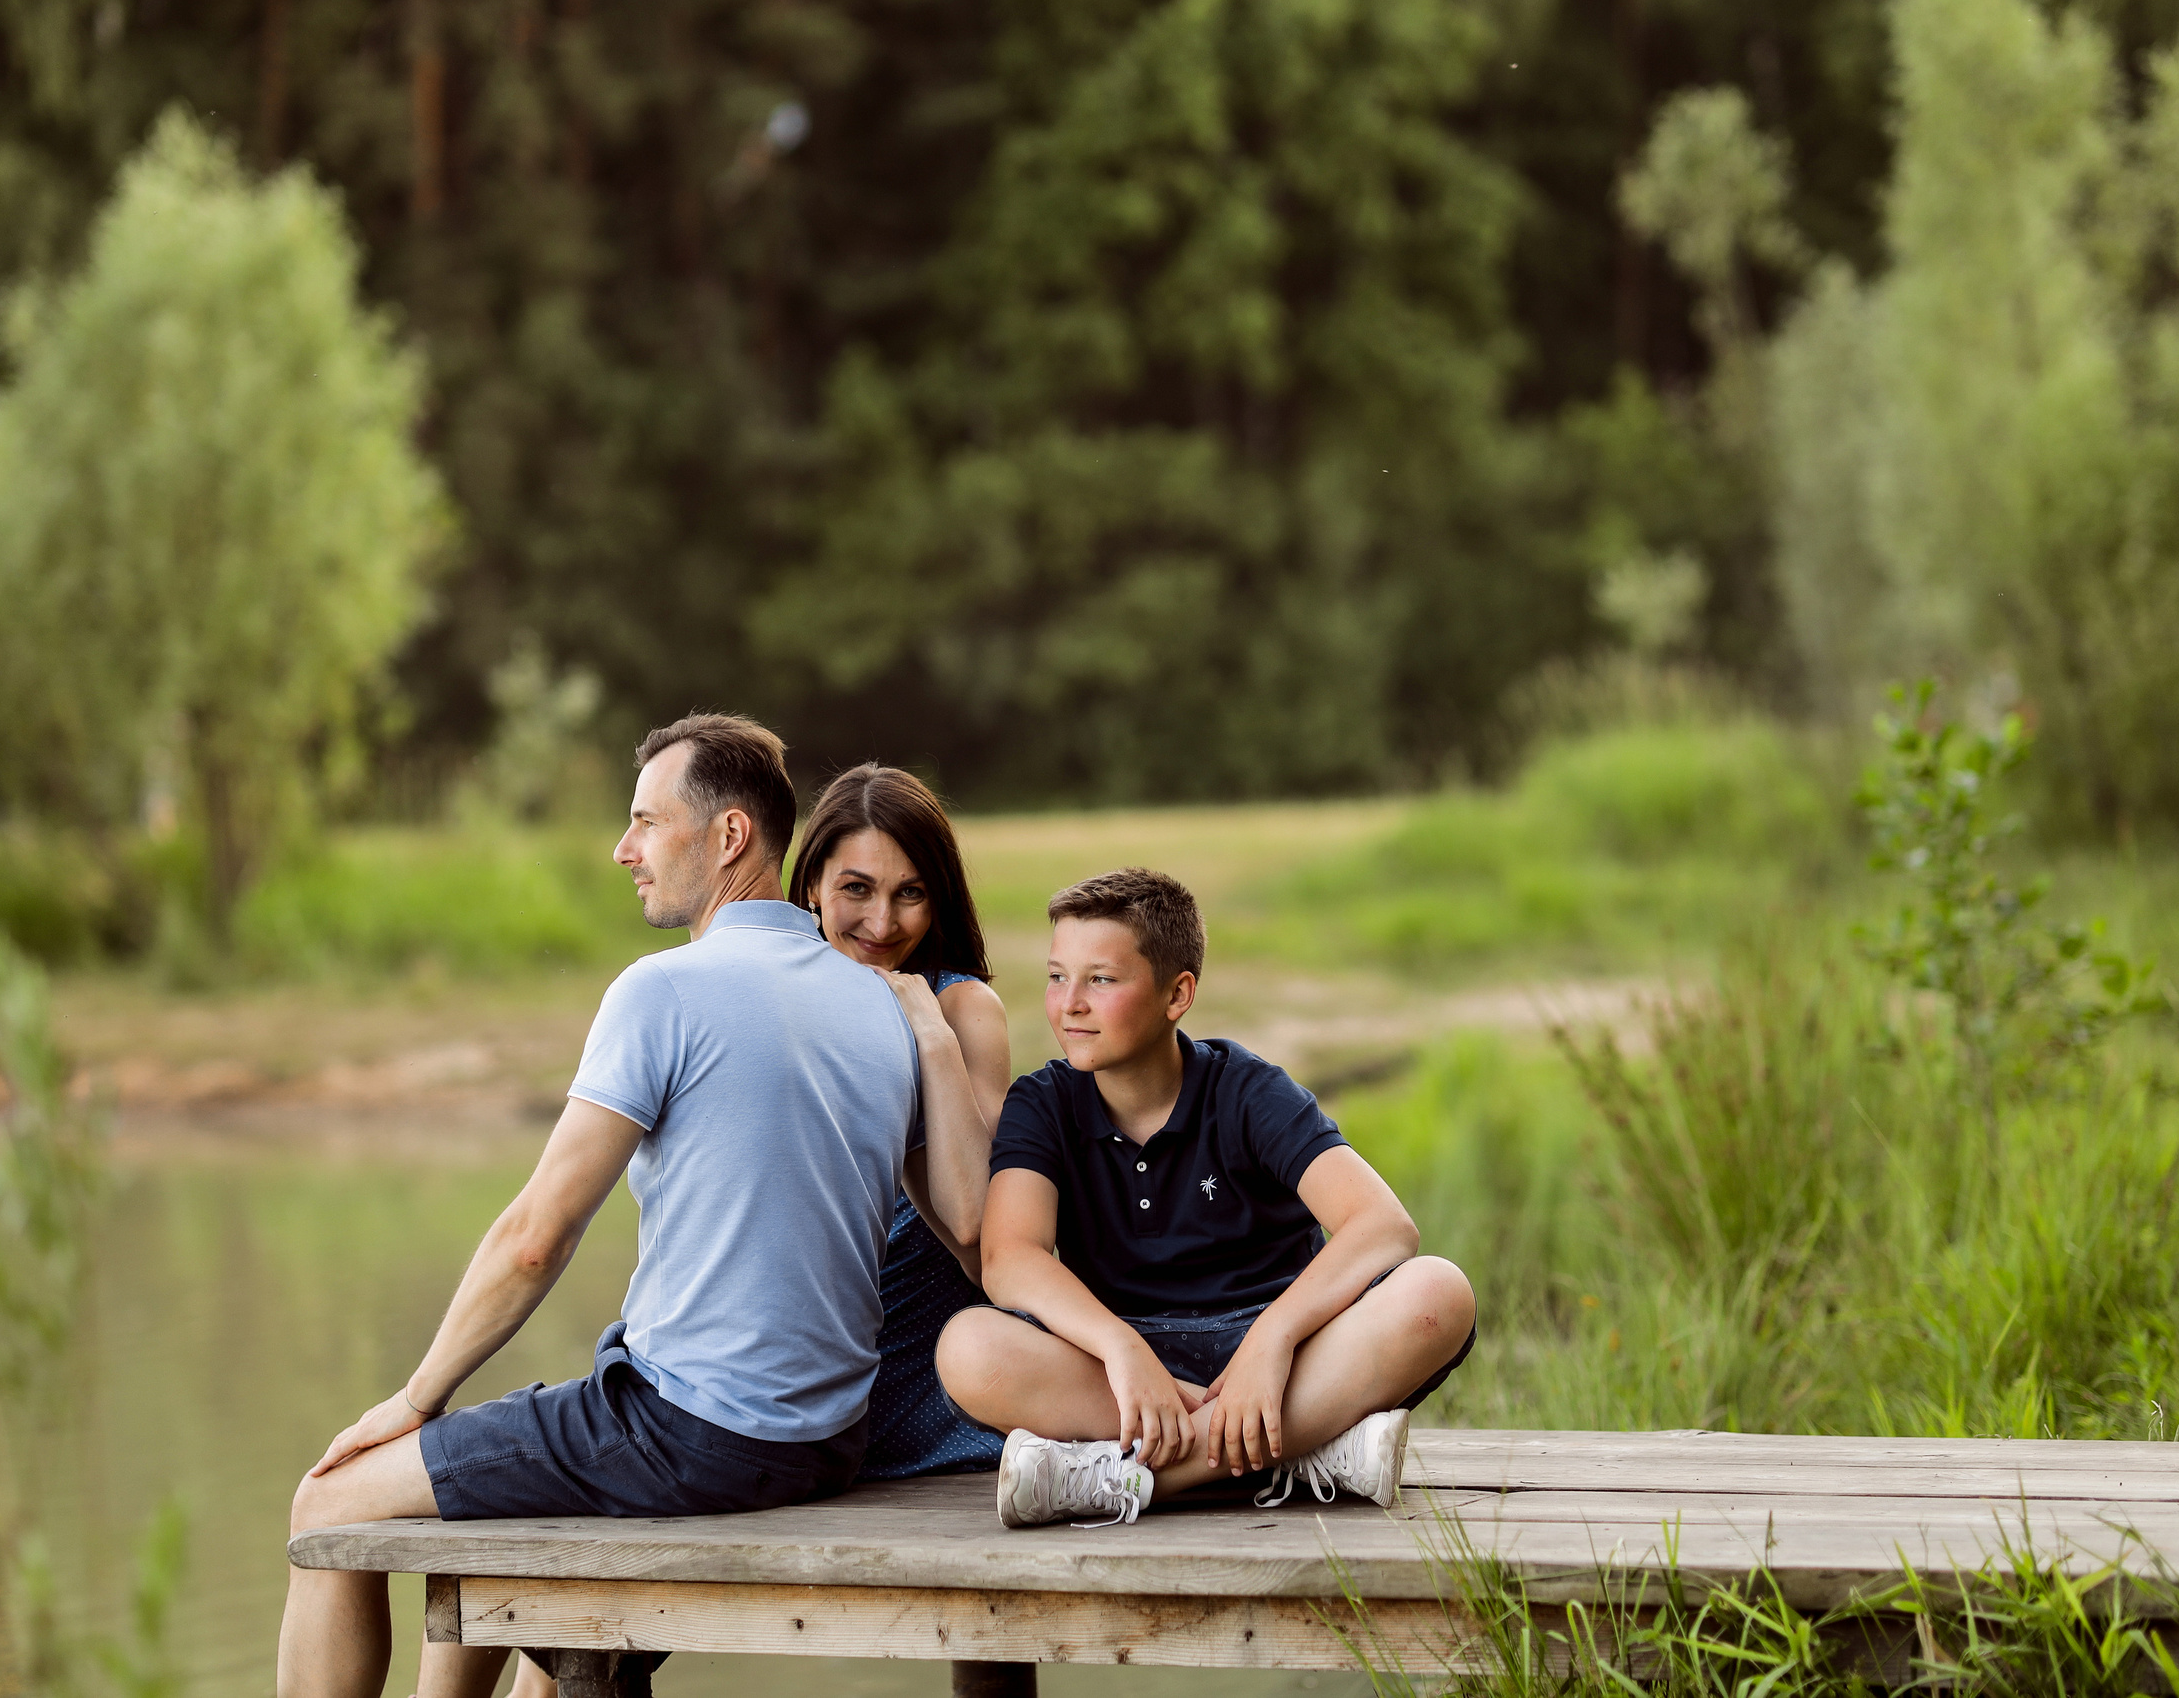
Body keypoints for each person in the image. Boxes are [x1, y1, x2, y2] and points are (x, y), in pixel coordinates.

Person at [278, 714, 941, 1698]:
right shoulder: (875, 1004)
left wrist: (414, 1401)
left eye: (645, 822)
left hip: (695, 1436)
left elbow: (535, 1238)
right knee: (489, 1524)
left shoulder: (662, 993)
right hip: (825, 1440)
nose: (623, 849)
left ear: (727, 838)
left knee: (329, 1503)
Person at [935, 867, 1477, 1529]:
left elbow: (1384, 1226)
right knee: (967, 1347)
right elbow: (1009, 1258)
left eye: (1100, 979)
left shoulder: (1247, 1090)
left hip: (1281, 1355)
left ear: (1177, 993)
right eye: (1056, 975)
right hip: (1125, 1370)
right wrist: (1120, 1346)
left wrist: (1272, 1341)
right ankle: (1305, 1450)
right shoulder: (1043, 1101)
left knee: (1437, 1293)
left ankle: (1129, 1482)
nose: (1069, 1001)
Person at [789, 763, 1012, 1480]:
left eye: (910, 893)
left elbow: (979, 1227)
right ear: (813, 883)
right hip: (791, 1368)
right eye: (857, 888)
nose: (883, 924)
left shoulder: (963, 1009)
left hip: (927, 1373)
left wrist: (931, 1038)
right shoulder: (773, 1001)